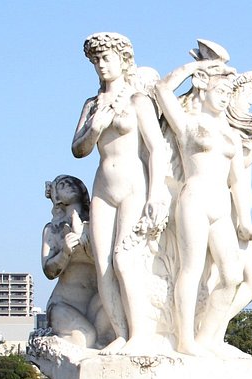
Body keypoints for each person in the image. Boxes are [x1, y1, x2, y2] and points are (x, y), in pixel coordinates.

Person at [72, 32, 169, 355]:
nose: (101, 65)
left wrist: (156, 193)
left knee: (125, 260)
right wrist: (95, 127)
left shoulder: (138, 101)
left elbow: (156, 150)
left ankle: (141, 333)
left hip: (133, 187)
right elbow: (78, 149)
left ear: (123, 60)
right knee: (103, 266)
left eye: (106, 58)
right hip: (103, 187)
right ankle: (121, 334)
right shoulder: (91, 104)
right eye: (96, 60)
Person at [154, 59, 252, 357]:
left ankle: (208, 337)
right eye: (219, 88)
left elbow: (238, 182)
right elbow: (162, 89)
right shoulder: (188, 123)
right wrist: (200, 67)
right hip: (194, 198)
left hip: (221, 207)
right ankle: (185, 340)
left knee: (232, 276)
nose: (224, 95)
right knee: (191, 269)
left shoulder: (231, 134)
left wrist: (244, 218)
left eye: (227, 91)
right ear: (203, 86)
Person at [194, 72, 252, 351]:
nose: (249, 102)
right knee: (241, 279)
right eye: (246, 95)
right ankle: (207, 335)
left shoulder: (237, 130)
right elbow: (241, 164)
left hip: (236, 215)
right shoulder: (226, 131)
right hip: (228, 215)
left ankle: (211, 332)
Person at [41, 175, 111, 348]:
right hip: (65, 305)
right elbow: (48, 270)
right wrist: (64, 253)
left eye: (71, 183)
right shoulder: (53, 229)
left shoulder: (98, 224)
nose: (68, 186)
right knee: (85, 337)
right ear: (56, 196)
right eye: (62, 185)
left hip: (97, 303)